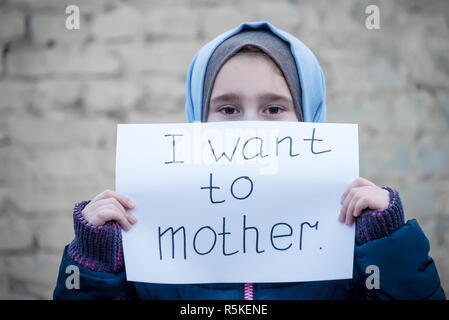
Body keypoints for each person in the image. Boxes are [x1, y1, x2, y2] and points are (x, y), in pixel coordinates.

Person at [53, 21, 446, 300]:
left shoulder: (355, 232)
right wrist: (96, 261)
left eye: (274, 108)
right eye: (227, 109)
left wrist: (386, 243)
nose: (251, 127)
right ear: (198, 118)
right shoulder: (144, 230)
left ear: (308, 117)